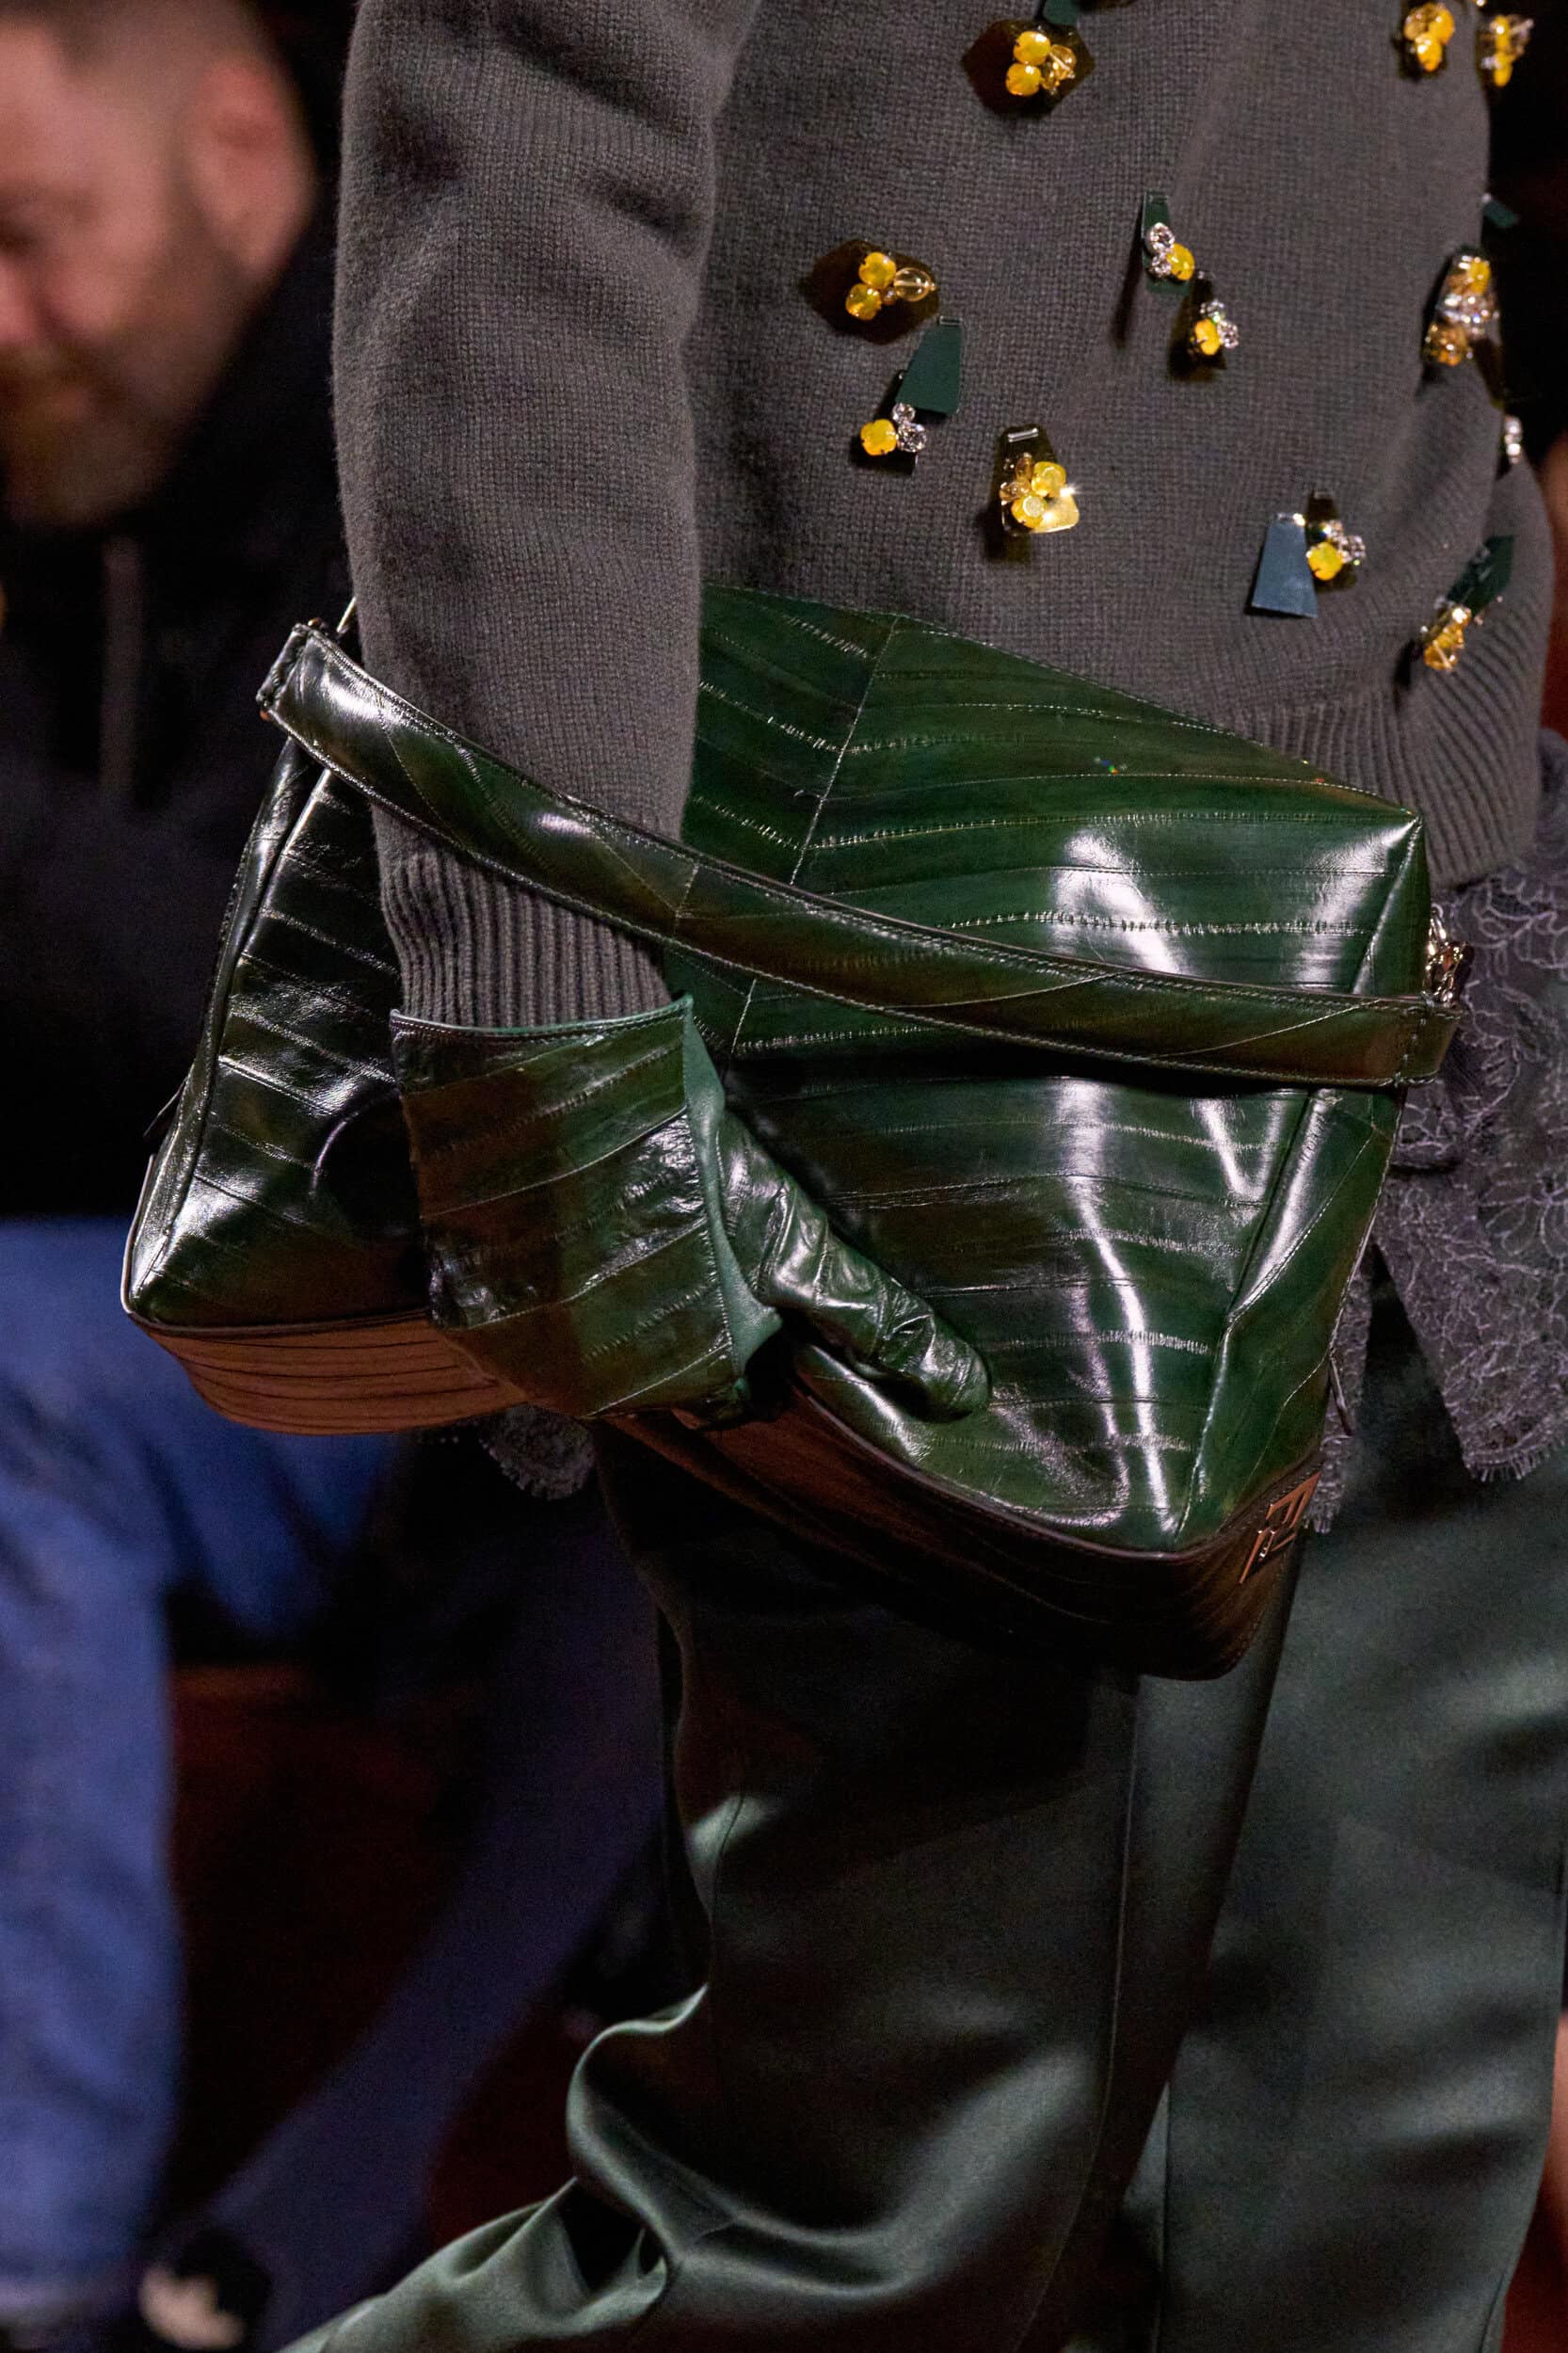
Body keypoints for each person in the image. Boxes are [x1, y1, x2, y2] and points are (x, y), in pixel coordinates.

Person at [278, 3, 1568, 2348]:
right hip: (928, 925)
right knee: (867, 2228)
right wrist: (551, 1019)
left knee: (1352, 2221)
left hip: (1447, 893)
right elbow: (524, 121)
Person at [0, 9, 662, 2346]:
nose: (0, 321)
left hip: (446, 1303)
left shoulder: (436, 453)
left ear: (239, 148)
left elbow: (286, 1028)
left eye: (32, 236)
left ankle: (34, 2250)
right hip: (201, 1274)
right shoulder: (80, 465)